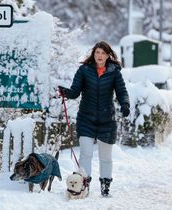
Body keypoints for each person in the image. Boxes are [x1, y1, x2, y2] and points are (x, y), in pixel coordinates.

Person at [58, 41, 130, 197]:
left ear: (108, 55)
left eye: (103, 53)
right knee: (86, 154)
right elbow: (75, 91)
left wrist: (125, 104)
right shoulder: (84, 70)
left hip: (107, 121)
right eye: (97, 52)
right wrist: (67, 92)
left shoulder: (114, 72)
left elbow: (122, 91)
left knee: (105, 157)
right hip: (86, 119)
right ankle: (85, 186)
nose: (100, 56)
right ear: (93, 53)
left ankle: (105, 187)